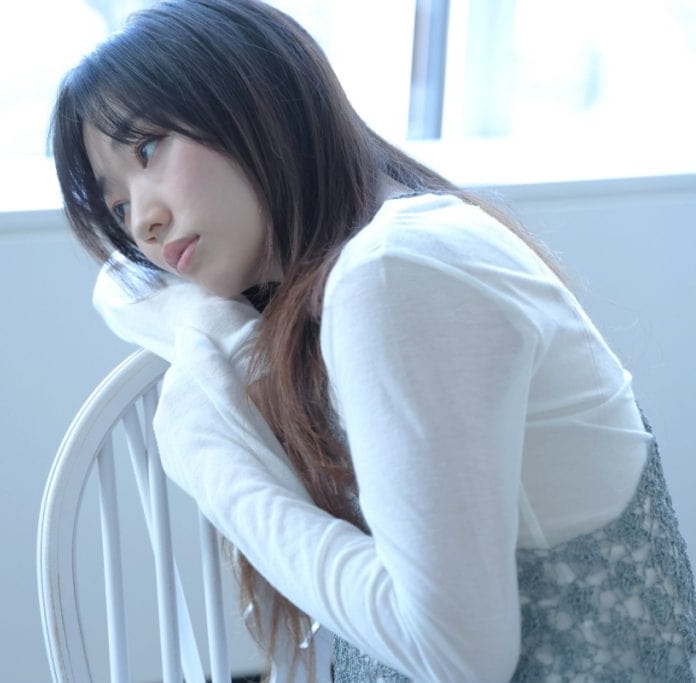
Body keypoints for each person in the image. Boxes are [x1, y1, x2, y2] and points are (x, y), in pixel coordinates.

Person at [49, 0, 696, 680]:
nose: (142, 224)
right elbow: (120, 286)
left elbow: (453, 653)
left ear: (251, 92)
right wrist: (221, 336)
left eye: (148, 149)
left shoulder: (392, 273)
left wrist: (218, 465)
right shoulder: (380, 252)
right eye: (118, 205)